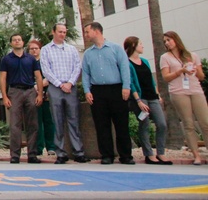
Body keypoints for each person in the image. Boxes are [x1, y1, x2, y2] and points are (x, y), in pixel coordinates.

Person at [82, 22, 134, 165]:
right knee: (101, 124)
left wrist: (126, 87)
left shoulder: (116, 48)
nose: (85, 35)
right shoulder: (88, 54)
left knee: (121, 124)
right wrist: (87, 91)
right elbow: (85, 74)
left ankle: (126, 156)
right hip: (97, 91)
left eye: (87, 31)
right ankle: (106, 155)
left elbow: (124, 68)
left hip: (117, 89)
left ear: (97, 31)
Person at [39, 22, 87, 164]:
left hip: (70, 87)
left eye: (64, 32)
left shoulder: (71, 49)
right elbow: (46, 70)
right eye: (60, 31)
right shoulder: (46, 50)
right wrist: (60, 84)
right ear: (53, 32)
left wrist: (70, 83)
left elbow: (77, 67)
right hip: (55, 87)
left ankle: (78, 152)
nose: (62, 34)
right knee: (57, 121)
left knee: (74, 120)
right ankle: (60, 153)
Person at [160, 30, 208, 165]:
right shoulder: (165, 57)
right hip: (178, 91)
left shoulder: (191, 55)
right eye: (165, 41)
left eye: (168, 40)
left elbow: (201, 76)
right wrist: (181, 71)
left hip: (195, 89)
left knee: (205, 122)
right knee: (188, 124)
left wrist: (194, 69)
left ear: (176, 40)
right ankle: (196, 155)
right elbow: (166, 77)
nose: (167, 43)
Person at [0, 34, 43, 164]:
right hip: (14, 91)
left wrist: (39, 94)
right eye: (14, 40)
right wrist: (5, 96)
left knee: (32, 124)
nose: (17, 41)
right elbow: (2, 78)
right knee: (15, 125)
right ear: (11, 43)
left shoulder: (31, 59)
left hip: (30, 91)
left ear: (23, 42)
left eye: (19, 39)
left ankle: (32, 154)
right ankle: (15, 155)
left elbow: (38, 77)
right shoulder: (6, 60)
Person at [124, 36, 170, 165]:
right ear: (133, 45)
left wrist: (157, 94)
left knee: (161, 124)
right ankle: (149, 154)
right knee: (144, 125)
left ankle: (160, 152)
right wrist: (138, 100)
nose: (142, 46)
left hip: (152, 96)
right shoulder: (127, 63)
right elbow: (131, 82)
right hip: (140, 98)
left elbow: (151, 78)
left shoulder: (145, 61)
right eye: (140, 44)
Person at [28, 40, 56, 157]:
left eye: (36, 48)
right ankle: (38, 147)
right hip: (32, 95)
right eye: (32, 49)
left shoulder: (45, 62)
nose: (34, 51)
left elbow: (49, 76)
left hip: (47, 94)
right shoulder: (27, 62)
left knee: (48, 121)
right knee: (36, 122)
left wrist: (40, 85)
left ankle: (51, 146)